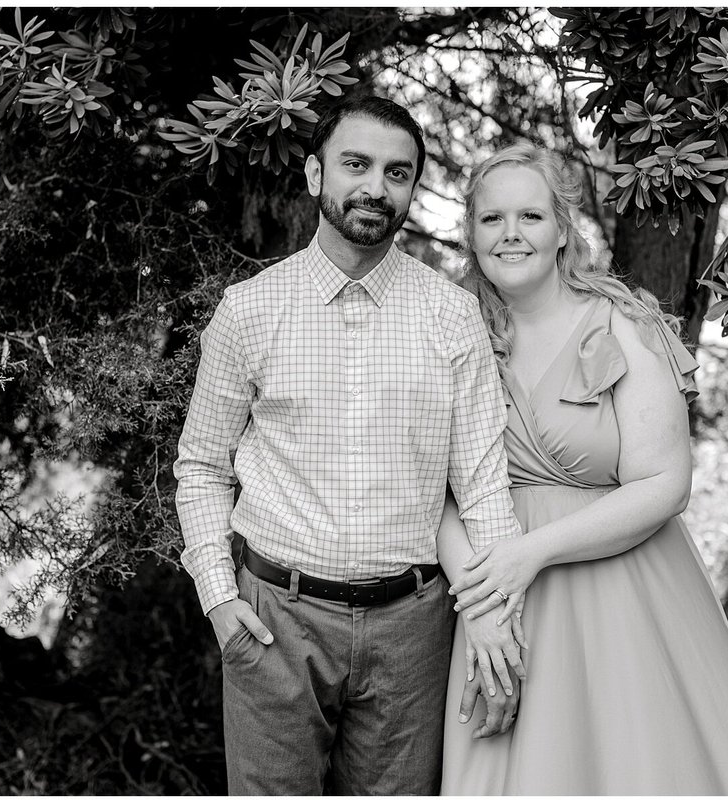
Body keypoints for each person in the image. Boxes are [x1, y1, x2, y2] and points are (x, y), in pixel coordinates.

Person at [173, 96, 526, 796]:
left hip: (415, 630)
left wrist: (497, 622)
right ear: (314, 175)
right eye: (356, 165)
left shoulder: (452, 315)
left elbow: (483, 486)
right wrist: (219, 599)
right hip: (275, 620)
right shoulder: (250, 310)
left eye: (398, 173)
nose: (376, 186)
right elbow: (202, 466)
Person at [438, 142, 728, 795]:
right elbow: (433, 493)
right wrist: (479, 604)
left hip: (625, 591)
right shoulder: (446, 331)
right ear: (471, 232)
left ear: (561, 229)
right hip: (495, 600)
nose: (511, 234)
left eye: (531, 216)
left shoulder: (620, 323)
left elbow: (666, 482)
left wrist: (533, 552)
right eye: (491, 219)